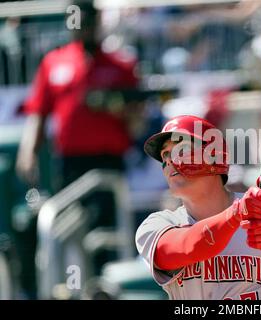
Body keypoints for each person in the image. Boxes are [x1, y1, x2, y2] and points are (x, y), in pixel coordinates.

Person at [135, 115, 261, 300]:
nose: (170, 162)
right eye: (165, 155)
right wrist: (237, 213)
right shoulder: (158, 224)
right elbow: (187, 246)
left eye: (181, 151)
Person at [15, 0, 141, 278]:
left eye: (86, 20)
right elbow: (39, 112)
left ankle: (106, 286)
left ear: (97, 22)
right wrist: (28, 152)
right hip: (69, 165)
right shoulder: (54, 62)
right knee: (64, 227)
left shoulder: (121, 65)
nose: (82, 27)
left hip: (108, 164)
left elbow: (137, 117)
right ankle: (66, 286)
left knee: (106, 231)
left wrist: (116, 106)